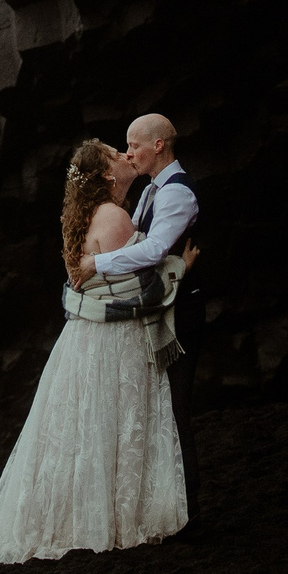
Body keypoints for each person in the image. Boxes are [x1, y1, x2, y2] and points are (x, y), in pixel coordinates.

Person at [0, 138, 189, 565]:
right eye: (118, 154)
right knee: (112, 424)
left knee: (85, 429)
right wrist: (182, 267)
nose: (126, 154)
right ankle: (113, 519)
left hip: (82, 337)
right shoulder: (114, 217)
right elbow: (141, 284)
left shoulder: (85, 216)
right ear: (105, 175)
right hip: (113, 339)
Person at [79, 112, 203, 535]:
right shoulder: (153, 191)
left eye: (133, 144)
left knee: (176, 411)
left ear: (158, 146)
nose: (128, 152)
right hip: (161, 309)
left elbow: (151, 251)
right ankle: (166, 508)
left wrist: (96, 263)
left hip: (181, 313)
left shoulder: (177, 195)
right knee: (160, 409)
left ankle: (189, 515)